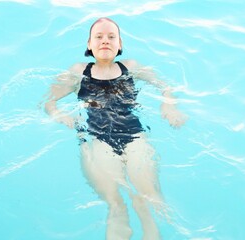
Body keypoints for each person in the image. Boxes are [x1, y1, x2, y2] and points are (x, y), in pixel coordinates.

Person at [45, 17, 186, 240]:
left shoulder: (130, 67)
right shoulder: (78, 72)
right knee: (115, 202)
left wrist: (169, 105)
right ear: (89, 45)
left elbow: (165, 86)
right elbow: (49, 102)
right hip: (99, 139)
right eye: (98, 37)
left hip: (134, 135)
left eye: (112, 37)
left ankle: (153, 234)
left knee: (149, 198)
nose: (105, 41)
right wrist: (60, 115)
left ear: (120, 44)